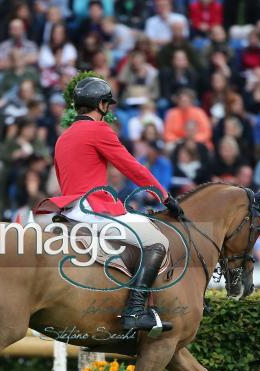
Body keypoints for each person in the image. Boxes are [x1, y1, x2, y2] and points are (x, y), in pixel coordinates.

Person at [36, 77, 182, 334]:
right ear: (101, 104)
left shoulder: (63, 137)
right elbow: (132, 167)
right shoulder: (99, 130)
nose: (109, 109)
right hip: (92, 209)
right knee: (157, 242)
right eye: (107, 104)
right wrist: (165, 196)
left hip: (69, 209)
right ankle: (135, 310)